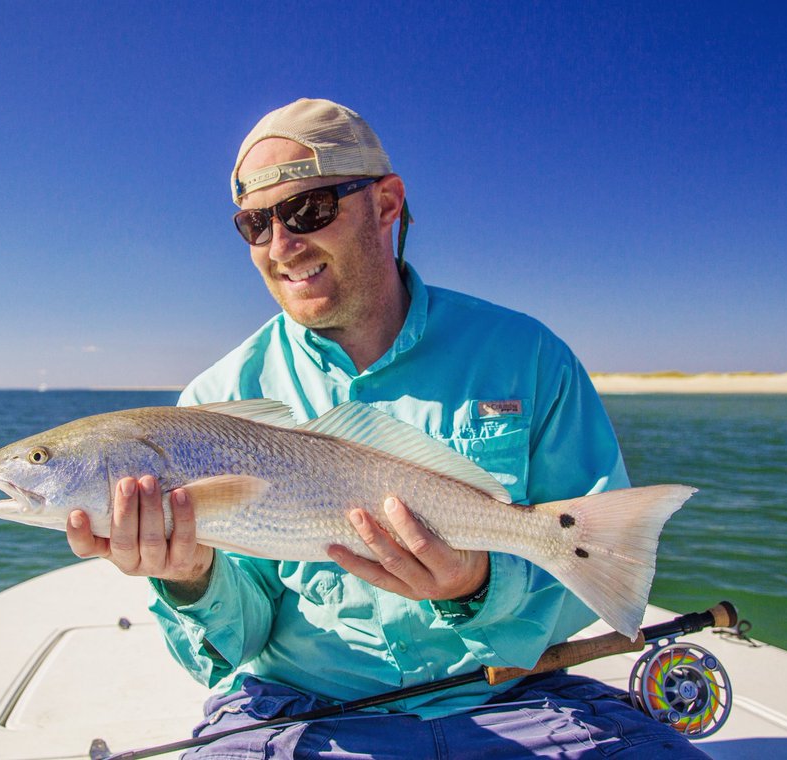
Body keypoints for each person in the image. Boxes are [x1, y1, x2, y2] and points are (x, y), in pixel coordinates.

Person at [67, 98, 708, 758]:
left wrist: (476, 585)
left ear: (386, 205)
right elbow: (238, 643)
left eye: (307, 210)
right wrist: (190, 579)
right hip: (301, 709)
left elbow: (593, 579)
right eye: (254, 225)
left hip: (513, 693)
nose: (282, 246)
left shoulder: (527, 356)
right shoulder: (216, 401)